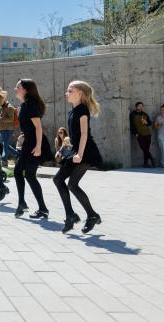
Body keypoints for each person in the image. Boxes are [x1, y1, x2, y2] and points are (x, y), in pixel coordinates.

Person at [53, 81, 103, 234]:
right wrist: (63, 150)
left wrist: (80, 154)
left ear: (80, 93)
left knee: (71, 184)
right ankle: (73, 215)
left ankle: (88, 215)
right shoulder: (73, 111)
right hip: (75, 150)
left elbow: (84, 134)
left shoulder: (82, 110)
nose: (66, 93)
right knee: (60, 180)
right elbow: (73, 136)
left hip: (85, 152)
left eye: (70, 90)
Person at [12, 79, 51, 219]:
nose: (15, 89)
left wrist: (38, 146)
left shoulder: (30, 105)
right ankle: (23, 203)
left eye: (18, 87)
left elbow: (38, 127)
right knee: (19, 172)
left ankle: (41, 208)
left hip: (35, 144)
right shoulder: (24, 105)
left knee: (28, 175)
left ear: (26, 90)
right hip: (29, 143)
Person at [129, 102, 156, 168]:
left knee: (146, 149)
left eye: (141, 106)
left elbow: (149, 123)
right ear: (136, 107)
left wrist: (146, 122)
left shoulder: (145, 114)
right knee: (144, 148)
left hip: (147, 133)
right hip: (139, 134)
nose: (140, 107)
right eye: (139, 106)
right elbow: (131, 125)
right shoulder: (132, 114)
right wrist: (135, 133)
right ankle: (152, 158)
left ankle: (145, 163)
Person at [0, 98, 19, 166]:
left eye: (0, 101)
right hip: (2, 129)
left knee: (4, 144)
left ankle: (4, 160)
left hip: (6, 129)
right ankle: (17, 154)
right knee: (4, 144)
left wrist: (1, 119)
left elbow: (11, 119)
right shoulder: (2, 107)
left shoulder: (9, 107)